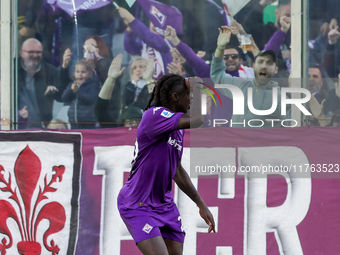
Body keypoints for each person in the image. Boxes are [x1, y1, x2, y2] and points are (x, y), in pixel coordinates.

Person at [117, 74, 215, 254]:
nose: (191, 101)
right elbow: (199, 120)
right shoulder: (155, 115)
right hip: (138, 202)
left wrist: (200, 203)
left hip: (165, 206)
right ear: (175, 97)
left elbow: (176, 169)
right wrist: (199, 87)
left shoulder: (177, 128)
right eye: (190, 96)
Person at [211, 26, 289, 128]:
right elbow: (217, 75)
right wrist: (220, 48)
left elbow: (293, 129)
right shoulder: (241, 87)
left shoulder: (282, 100)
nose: (264, 67)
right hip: (236, 142)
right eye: (260, 63)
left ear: (276, 70)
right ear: (253, 67)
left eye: (269, 64)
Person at [17, 38, 64, 129]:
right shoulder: (11, 70)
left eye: (38, 52)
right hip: (16, 126)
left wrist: (55, 91)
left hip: (43, 128)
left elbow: (62, 98)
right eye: (31, 52)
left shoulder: (51, 71)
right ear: (21, 53)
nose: (35, 55)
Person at [95, 55, 154, 128]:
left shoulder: (152, 133)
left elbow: (157, 109)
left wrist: (148, 80)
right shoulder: (117, 132)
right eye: (129, 121)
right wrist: (110, 79)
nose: (134, 123)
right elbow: (100, 110)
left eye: (137, 121)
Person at [117, 7, 173, 80]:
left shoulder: (168, 42)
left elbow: (151, 38)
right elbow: (130, 48)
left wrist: (133, 21)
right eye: (152, 22)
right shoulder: (145, 43)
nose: (154, 25)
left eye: (158, 22)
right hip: (146, 87)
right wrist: (129, 29)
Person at [61, 59, 101, 129]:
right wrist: (71, 90)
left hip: (88, 121)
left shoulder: (93, 84)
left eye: (83, 72)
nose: (80, 74)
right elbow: (64, 98)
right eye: (77, 72)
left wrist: (77, 91)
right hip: (73, 120)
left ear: (90, 74)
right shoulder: (72, 84)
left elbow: (91, 99)